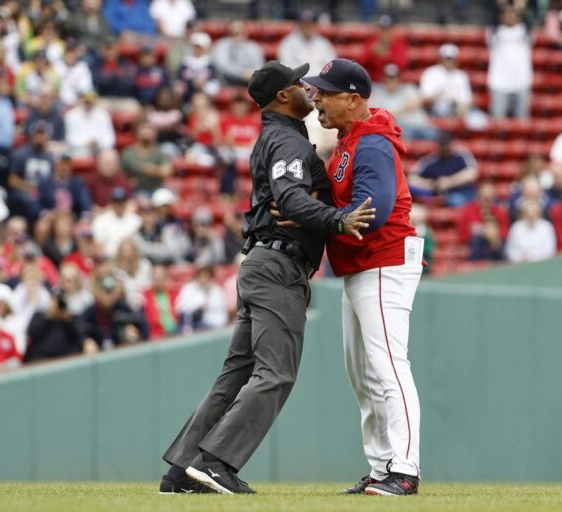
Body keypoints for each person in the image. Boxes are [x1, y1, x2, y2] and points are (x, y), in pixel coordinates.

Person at [161, 61, 375, 495]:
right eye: (298, 84)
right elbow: (292, 198)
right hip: (278, 267)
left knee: (237, 374)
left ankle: (183, 469)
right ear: (282, 96)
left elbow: (286, 199)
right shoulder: (286, 141)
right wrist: (336, 219)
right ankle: (217, 462)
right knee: (275, 372)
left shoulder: (280, 137)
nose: (305, 90)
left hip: (262, 262)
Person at [302, 58, 423, 496]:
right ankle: (380, 467)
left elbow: (373, 210)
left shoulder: (370, 142)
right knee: (362, 373)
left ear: (353, 99)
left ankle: (404, 469)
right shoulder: (350, 137)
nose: (316, 98)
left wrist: (318, 218)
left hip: (384, 261)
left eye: (325, 92)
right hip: (360, 266)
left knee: (388, 366)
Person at [81, 273, 149, 352]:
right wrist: (87, 340)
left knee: (131, 334)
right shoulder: (90, 312)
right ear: (98, 293)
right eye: (106, 292)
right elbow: (82, 331)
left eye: (112, 292)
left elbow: (141, 322)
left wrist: (134, 330)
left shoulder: (122, 308)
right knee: (89, 347)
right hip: (99, 350)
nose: (109, 296)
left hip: (120, 348)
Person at [369, 64, 438, 141]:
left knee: (435, 134)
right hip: (404, 129)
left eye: (394, 77)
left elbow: (418, 102)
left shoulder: (409, 88)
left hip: (421, 126)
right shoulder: (378, 94)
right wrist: (403, 109)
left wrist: (397, 112)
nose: (392, 80)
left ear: (399, 78)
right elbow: (381, 116)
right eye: (389, 77)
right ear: (384, 78)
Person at [409, 133, 479, 207]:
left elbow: (472, 173)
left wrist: (448, 182)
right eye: (442, 144)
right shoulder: (432, 159)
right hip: (438, 195)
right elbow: (412, 178)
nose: (444, 147)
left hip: (462, 192)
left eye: (446, 144)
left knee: (456, 200)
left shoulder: (461, 155)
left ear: (452, 143)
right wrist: (431, 184)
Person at [487, 6, 533, 119]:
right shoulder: (495, 32)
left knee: (522, 120)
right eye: (507, 15)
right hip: (499, 81)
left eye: (513, 15)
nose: (510, 17)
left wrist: (521, 8)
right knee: (498, 120)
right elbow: (491, 23)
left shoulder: (524, 31)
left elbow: (530, 23)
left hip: (521, 81)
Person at [23, 290, 85, 362]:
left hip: (66, 357)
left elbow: (79, 336)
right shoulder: (39, 316)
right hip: (41, 357)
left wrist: (67, 320)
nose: (56, 305)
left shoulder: (72, 318)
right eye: (53, 301)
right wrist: (48, 317)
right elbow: (31, 334)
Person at [419, 44, 475, 122]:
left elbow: (466, 100)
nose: (449, 61)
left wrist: (460, 108)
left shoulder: (461, 76)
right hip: (435, 110)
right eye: (447, 58)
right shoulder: (431, 73)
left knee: (478, 119)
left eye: (451, 59)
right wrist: (440, 95)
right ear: (441, 59)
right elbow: (425, 98)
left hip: (456, 110)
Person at [120, 121, 173, 193]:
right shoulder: (128, 153)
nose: (146, 132)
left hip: (156, 188)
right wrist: (128, 182)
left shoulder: (160, 151)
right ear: (136, 132)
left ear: (155, 134)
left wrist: (155, 170)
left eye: (149, 129)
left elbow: (167, 171)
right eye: (143, 129)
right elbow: (120, 174)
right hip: (136, 190)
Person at [278, 10, 336, 75]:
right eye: (304, 23)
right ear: (299, 24)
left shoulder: (323, 43)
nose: (307, 27)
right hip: (296, 81)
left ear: (315, 25)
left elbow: (331, 65)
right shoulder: (288, 42)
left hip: (318, 81)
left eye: (310, 24)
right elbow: (285, 66)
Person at [174, 263, 228, 333]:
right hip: (192, 322)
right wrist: (199, 307)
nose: (204, 279)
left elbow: (223, 314)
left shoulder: (217, 291)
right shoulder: (188, 288)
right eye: (202, 275)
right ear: (197, 276)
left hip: (212, 325)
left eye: (207, 276)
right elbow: (179, 308)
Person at [211, 20, 265, 86]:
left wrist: (253, 73)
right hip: (227, 82)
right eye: (235, 32)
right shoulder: (222, 45)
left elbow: (260, 65)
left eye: (240, 28)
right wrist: (241, 73)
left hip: (250, 81)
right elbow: (222, 65)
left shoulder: (254, 47)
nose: (238, 31)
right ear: (229, 31)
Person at [91, 187, 142, 257]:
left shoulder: (136, 220)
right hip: (108, 259)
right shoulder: (101, 220)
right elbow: (98, 246)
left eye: (122, 201)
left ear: (126, 202)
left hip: (131, 259)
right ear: (111, 202)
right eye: (116, 202)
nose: (119, 204)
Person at [358, 15, 408, 83]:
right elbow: (360, 63)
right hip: (375, 83)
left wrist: (388, 56)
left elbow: (404, 64)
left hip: (394, 84)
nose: (384, 33)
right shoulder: (371, 43)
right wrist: (372, 53)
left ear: (392, 30)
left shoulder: (398, 43)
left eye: (387, 29)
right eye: (382, 29)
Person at [65, 89, 116, 155]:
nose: (89, 104)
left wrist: (99, 143)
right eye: (86, 102)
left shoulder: (103, 115)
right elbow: (69, 139)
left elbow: (110, 139)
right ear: (81, 100)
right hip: (79, 150)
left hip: (100, 149)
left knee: (110, 155)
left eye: (91, 102)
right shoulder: (71, 115)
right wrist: (85, 143)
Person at [140, 263, 178, 339]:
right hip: (156, 334)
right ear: (151, 279)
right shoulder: (144, 295)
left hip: (176, 331)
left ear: (166, 279)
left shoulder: (175, 293)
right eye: (156, 279)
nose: (158, 282)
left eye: (161, 279)